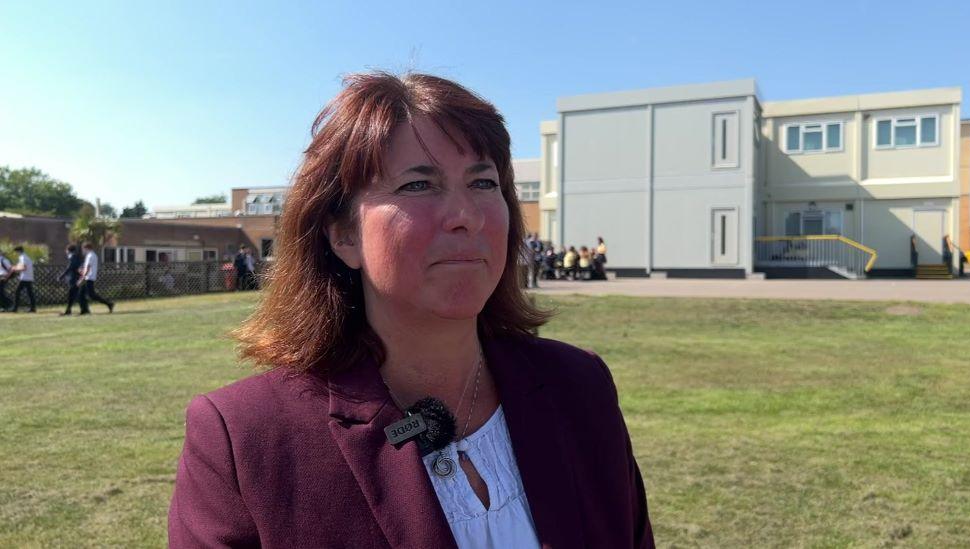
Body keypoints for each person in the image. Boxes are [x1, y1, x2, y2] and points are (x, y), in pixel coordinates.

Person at [168, 71, 654, 548]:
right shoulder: (246, 438)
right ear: (343, 235)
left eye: (484, 183)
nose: (466, 216)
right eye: (419, 186)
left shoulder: (580, 386)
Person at [79, 242, 114, 314]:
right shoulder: (92, 255)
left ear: (86, 248)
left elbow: (88, 268)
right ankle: (84, 310)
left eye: (83, 249)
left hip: (89, 278)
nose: (83, 251)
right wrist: (82, 271)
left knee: (91, 295)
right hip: (88, 277)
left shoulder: (90, 256)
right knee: (81, 294)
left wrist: (82, 278)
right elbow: (88, 267)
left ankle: (109, 304)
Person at [58, 244, 88, 316]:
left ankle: (80, 310)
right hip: (78, 278)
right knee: (76, 295)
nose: (66, 252)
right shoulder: (78, 257)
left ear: (68, 250)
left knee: (73, 295)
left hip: (74, 279)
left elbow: (70, 267)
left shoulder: (72, 257)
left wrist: (61, 276)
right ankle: (77, 310)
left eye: (66, 250)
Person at [7, 246, 37, 313]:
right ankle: (33, 308)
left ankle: (15, 308)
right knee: (30, 293)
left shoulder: (23, 257)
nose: (16, 253)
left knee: (17, 292)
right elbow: (20, 266)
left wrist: (14, 269)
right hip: (28, 277)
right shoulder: (23, 257)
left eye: (16, 252)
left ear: (19, 251)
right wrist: (14, 267)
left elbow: (24, 268)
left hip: (25, 278)